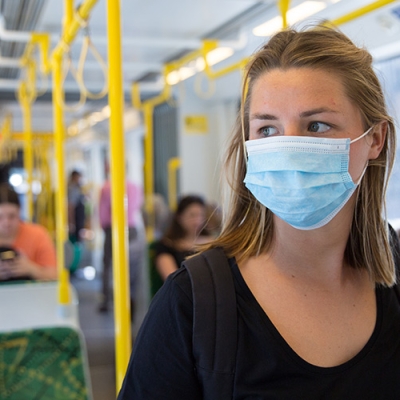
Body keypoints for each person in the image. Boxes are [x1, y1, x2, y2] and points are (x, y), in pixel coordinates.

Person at [118, 26, 400, 399]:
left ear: (374, 140)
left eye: (317, 126)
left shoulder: (396, 269)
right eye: (267, 129)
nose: (288, 147)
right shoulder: (192, 304)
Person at [98, 176, 144, 313]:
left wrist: (105, 227)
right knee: (132, 265)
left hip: (113, 228)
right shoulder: (135, 187)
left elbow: (103, 211)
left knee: (108, 265)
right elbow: (137, 206)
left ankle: (106, 301)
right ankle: (130, 298)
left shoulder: (106, 187)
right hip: (131, 228)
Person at [149, 195, 210, 296]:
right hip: (182, 298)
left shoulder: (212, 243)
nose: (197, 220)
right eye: (192, 215)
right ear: (179, 217)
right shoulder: (166, 246)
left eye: (201, 215)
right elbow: (173, 280)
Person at [0, 185, 57, 281]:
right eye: (0, 217)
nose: (6, 223)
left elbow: (55, 275)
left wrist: (31, 269)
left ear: (19, 212)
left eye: (12, 216)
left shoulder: (38, 235)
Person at [67, 170, 86, 242]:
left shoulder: (76, 188)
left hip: (77, 219)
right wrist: (72, 222)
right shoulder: (72, 189)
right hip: (76, 219)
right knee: (75, 240)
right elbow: (71, 206)